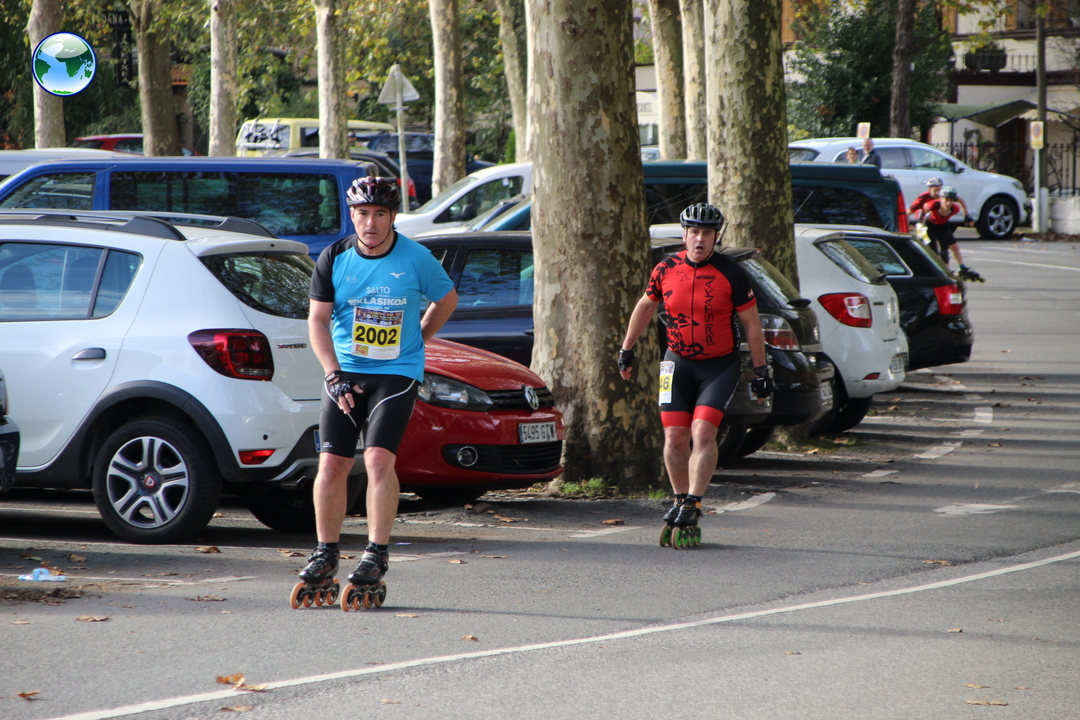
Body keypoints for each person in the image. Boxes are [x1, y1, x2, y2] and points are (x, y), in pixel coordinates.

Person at [300, 176, 459, 604]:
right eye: (363, 213)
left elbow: (446, 299)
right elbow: (318, 320)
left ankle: (376, 553)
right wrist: (333, 373)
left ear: (393, 217)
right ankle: (325, 553)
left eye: (380, 214)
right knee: (332, 463)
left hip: (396, 373)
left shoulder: (416, 257)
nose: (370, 223)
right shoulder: (333, 257)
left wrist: (419, 338)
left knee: (377, 459)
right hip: (345, 372)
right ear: (352, 215)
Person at [618, 203, 772, 547]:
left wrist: (761, 370)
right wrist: (626, 349)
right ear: (684, 234)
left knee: (703, 432)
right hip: (676, 363)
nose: (700, 239)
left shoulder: (731, 273)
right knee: (674, 436)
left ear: (716, 237)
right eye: (694, 232)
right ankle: (679, 498)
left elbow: (751, 323)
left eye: (707, 233)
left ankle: (694, 501)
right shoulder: (665, 268)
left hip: (719, 365)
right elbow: (646, 305)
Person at [923, 186, 984, 282]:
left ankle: (948, 272)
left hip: (942, 225)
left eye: (951, 201)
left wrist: (966, 215)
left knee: (945, 252)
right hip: (929, 226)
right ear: (941, 198)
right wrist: (920, 226)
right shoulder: (933, 205)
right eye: (946, 200)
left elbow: (961, 200)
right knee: (934, 251)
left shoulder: (955, 208)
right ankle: (934, 271)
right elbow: (924, 208)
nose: (948, 203)